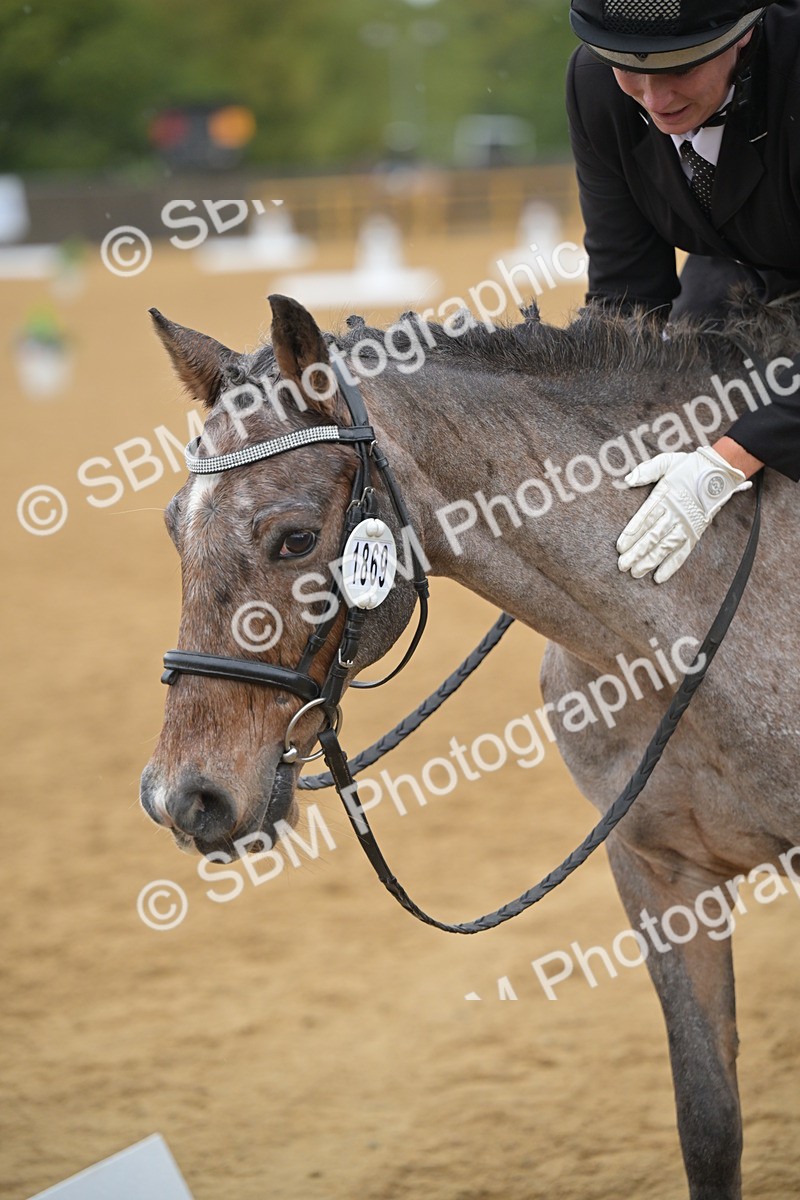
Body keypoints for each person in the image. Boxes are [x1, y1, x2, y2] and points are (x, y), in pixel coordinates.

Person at [566, 0, 800, 581]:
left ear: (742, 36)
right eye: (632, 70)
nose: (653, 98)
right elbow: (625, 296)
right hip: (734, 269)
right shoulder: (597, 81)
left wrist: (726, 461)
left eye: (680, 68)